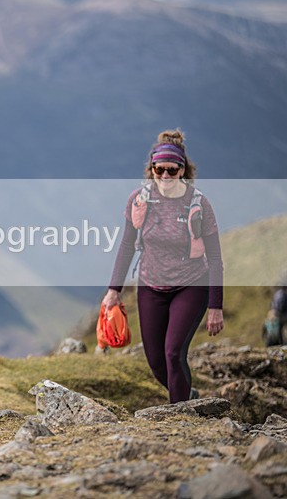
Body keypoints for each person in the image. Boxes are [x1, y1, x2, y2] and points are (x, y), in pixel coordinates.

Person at [103, 129, 224, 403]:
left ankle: (178, 414)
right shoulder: (139, 201)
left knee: (173, 353)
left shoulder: (199, 204)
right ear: (151, 169)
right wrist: (114, 290)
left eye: (172, 170)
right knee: (156, 360)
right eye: (160, 171)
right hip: (150, 286)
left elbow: (215, 259)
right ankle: (187, 395)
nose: (166, 177)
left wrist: (215, 306)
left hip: (191, 285)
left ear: (183, 170)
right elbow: (126, 246)